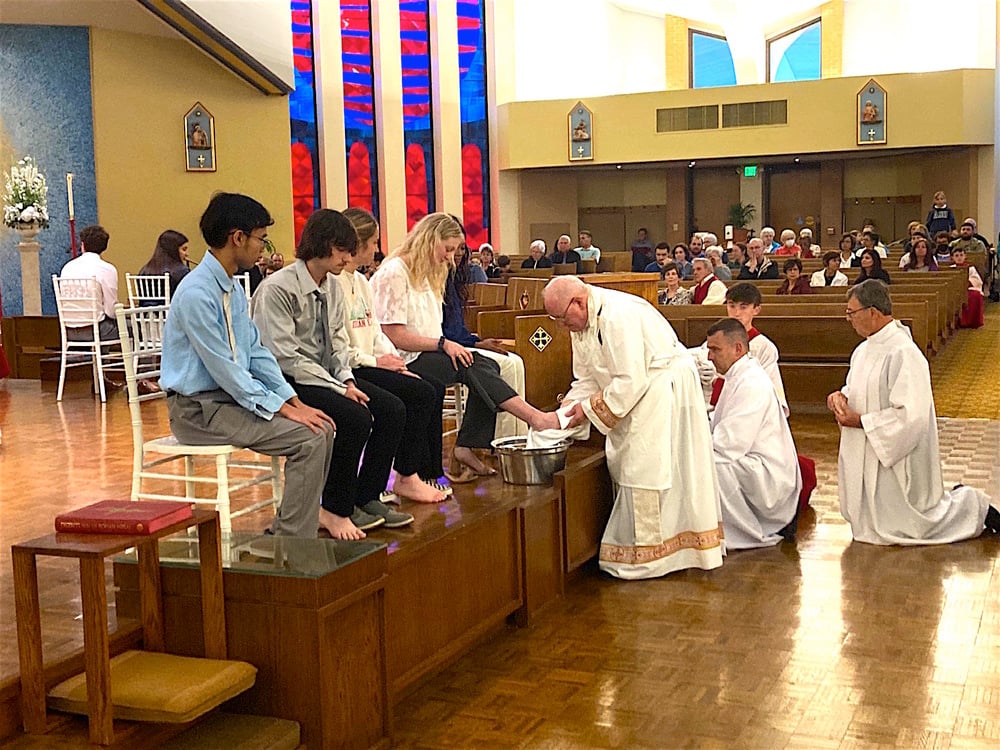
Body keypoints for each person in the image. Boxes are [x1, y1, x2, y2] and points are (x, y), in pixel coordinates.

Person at [160, 192, 335, 539]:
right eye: (261, 239)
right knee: (310, 438)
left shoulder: (232, 288)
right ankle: (291, 542)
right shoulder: (197, 293)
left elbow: (255, 351)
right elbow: (224, 368)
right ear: (237, 237)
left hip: (225, 402)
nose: (264, 248)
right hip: (197, 410)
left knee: (322, 427)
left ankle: (290, 532)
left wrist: (292, 400)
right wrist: (281, 410)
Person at [250, 208, 419, 539]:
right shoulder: (278, 288)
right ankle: (334, 508)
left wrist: (347, 380)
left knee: (391, 408)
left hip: (321, 375)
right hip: (285, 381)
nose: (348, 258)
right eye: (343, 250)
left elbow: (339, 344)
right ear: (323, 245)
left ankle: (366, 496)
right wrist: (338, 388)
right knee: (355, 417)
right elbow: (284, 357)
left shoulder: (331, 286)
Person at [541, 276, 724, 579]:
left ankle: (653, 555)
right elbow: (586, 378)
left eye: (561, 318)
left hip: (659, 389)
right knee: (634, 463)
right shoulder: (582, 322)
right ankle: (648, 549)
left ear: (578, 302)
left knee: (644, 465)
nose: (562, 326)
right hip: (639, 394)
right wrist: (566, 410)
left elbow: (630, 380)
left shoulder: (616, 315)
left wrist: (585, 411)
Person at [370, 213, 551, 481]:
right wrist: (445, 344)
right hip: (401, 357)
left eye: (455, 250)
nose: (451, 256)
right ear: (429, 240)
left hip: (429, 351)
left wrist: (451, 344)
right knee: (475, 364)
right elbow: (393, 334)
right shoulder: (394, 272)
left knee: (488, 364)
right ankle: (534, 419)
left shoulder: (435, 270)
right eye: (448, 249)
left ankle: (468, 443)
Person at [828, 280, 999, 544]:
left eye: (851, 312)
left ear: (872, 312)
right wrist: (840, 397)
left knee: (913, 525)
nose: (848, 318)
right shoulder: (864, 350)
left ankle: (974, 507)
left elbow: (911, 416)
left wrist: (862, 421)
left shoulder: (904, 352)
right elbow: (857, 389)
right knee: (882, 523)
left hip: (895, 457)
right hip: (867, 447)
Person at [338, 207, 453, 502]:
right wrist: (377, 362)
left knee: (423, 390)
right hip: (351, 367)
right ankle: (373, 490)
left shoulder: (361, 282)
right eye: (374, 242)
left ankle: (406, 476)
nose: (378, 249)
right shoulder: (334, 284)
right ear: (357, 243)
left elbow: (375, 331)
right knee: (395, 406)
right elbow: (338, 344)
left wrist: (395, 363)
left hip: (369, 362)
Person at [706, 319, 801, 549]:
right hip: (751, 458)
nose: (709, 357)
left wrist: (692, 444)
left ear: (738, 348)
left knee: (709, 466)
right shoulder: (737, 375)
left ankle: (726, 531)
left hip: (769, 475)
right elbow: (720, 422)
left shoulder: (751, 382)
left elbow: (730, 444)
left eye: (715, 349)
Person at [446, 216, 528, 441]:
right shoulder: (437, 278)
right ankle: (503, 440)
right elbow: (445, 331)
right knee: (502, 366)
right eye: (453, 248)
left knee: (515, 361)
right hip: (444, 347)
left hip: (458, 342)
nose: (459, 253)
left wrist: (475, 339)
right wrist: (475, 342)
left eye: (463, 248)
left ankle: (516, 438)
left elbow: (455, 326)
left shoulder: (454, 277)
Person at [692, 283, 788, 417]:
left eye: (743, 307)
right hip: (710, 410)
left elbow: (770, 391)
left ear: (756, 309)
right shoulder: (715, 340)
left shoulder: (764, 347)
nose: (736, 313)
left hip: (746, 411)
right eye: (731, 306)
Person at [59, 225, 120, 342]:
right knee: (132, 328)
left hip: (68, 331)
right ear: (104, 246)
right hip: (95, 330)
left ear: (82, 245)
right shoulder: (107, 269)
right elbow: (111, 311)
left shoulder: (67, 267)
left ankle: (100, 360)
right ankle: (106, 360)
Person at [137, 230, 190, 302]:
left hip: (146, 313)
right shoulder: (182, 271)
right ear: (173, 250)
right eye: (184, 249)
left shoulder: (144, 270)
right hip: (172, 312)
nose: (187, 254)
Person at [950, 247, 984, 328]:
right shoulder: (951, 268)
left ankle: (971, 321)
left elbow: (977, 281)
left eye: (961, 255)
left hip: (968, 289)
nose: (959, 258)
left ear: (965, 256)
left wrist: (967, 282)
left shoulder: (970, 268)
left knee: (975, 295)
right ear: (952, 258)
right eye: (957, 255)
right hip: (953, 290)